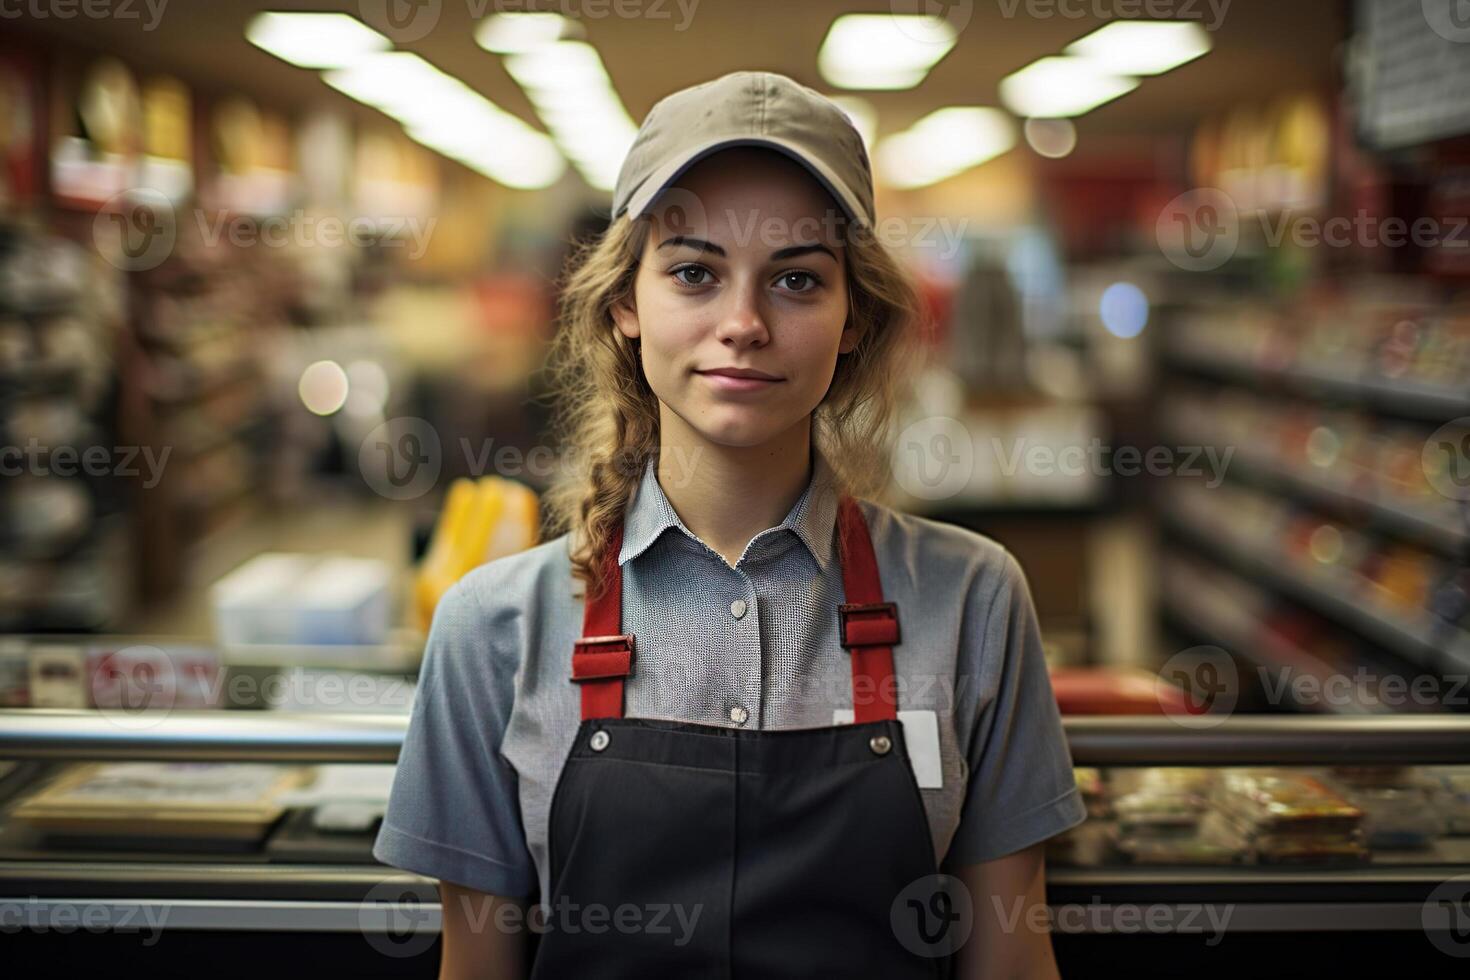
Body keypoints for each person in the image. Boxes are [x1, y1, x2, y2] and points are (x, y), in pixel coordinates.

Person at [373, 70, 1085, 979]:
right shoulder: (495, 628)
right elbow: (476, 968)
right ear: (625, 303)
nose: (743, 323)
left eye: (795, 279)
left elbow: (1013, 961)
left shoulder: (975, 599)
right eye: (694, 273)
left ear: (853, 318)